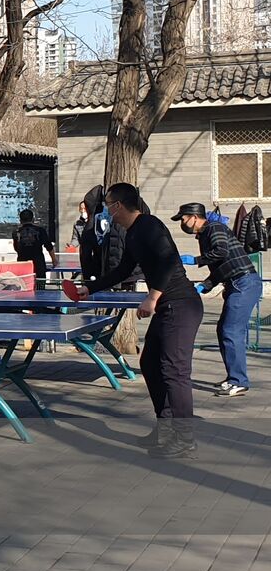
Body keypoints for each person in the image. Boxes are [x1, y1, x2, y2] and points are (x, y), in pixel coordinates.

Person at [78, 183, 203, 458]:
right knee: (149, 363)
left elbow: (169, 261)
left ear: (118, 205)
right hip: (169, 305)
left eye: (109, 205)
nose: (107, 211)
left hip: (182, 305)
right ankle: (166, 428)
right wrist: (90, 287)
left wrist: (152, 297)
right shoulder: (133, 232)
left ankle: (185, 438)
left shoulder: (149, 225)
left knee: (174, 371)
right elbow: (123, 269)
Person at [174, 202, 258, 397]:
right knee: (224, 330)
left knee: (231, 331)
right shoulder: (206, 234)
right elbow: (221, 266)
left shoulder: (214, 228)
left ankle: (239, 381)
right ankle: (233, 378)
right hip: (236, 283)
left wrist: (195, 260)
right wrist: (205, 285)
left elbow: (221, 251)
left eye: (183, 218)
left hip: (244, 283)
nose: (182, 222)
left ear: (194, 217)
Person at [13, 209, 57, 283]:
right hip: (38, 264)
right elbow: (49, 247)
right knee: (40, 290)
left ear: (20, 220)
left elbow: (16, 248)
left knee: (24, 288)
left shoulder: (16, 232)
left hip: (23, 265)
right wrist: (54, 260)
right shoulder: (41, 230)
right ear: (33, 219)